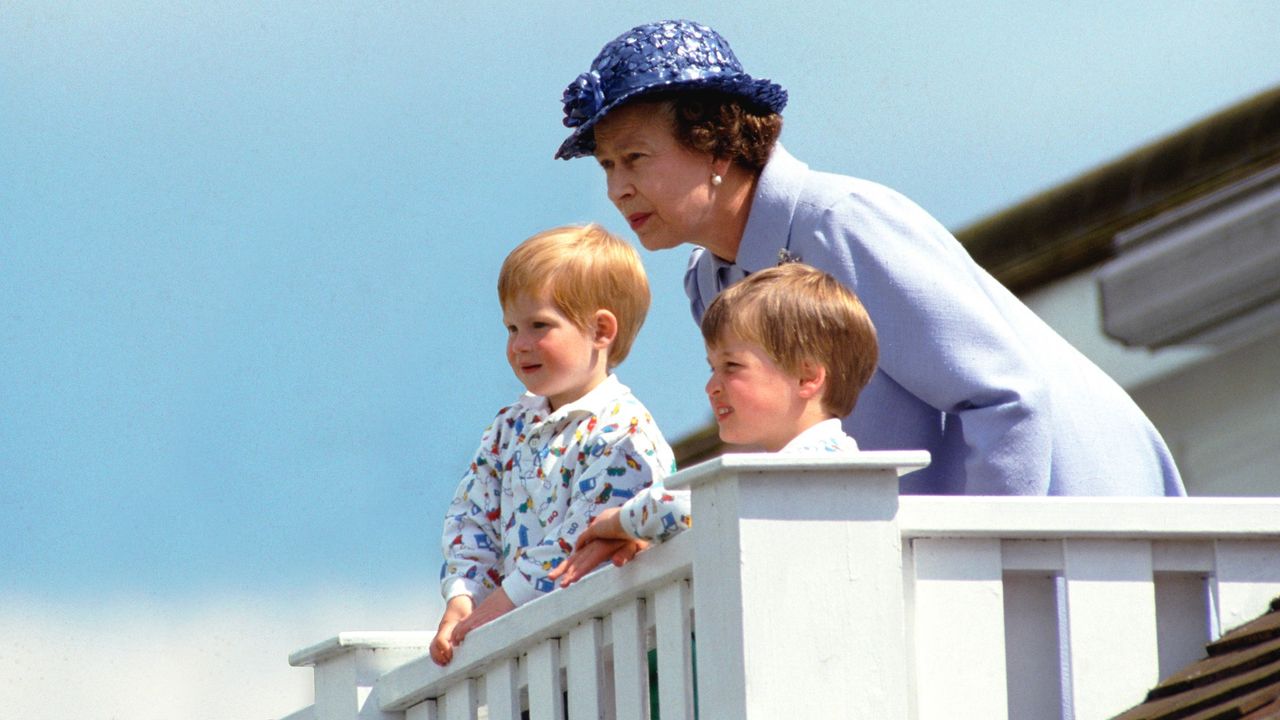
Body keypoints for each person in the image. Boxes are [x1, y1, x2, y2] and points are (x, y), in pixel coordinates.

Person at [553, 19, 1185, 497]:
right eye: (608, 165)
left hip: (1083, 529)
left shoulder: (839, 222)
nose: (616, 189)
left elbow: (1005, 398)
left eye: (635, 158)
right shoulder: (710, 278)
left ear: (715, 143)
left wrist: (972, 576)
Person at [430, 224, 676, 666]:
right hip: (528, 656)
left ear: (602, 330)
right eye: (511, 328)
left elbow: (582, 536)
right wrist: (464, 596)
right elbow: (471, 513)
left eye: (539, 325)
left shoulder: (623, 432)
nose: (519, 345)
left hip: (609, 652)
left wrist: (500, 605)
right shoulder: (510, 427)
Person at [549, 262, 879, 587]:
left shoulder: (817, 464)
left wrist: (619, 522)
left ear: (807, 377)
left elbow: (694, 505)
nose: (712, 387)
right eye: (712, 369)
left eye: (732, 366)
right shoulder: (797, 470)